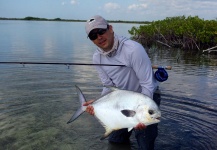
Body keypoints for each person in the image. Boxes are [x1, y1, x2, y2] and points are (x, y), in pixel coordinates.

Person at [83, 15, 161, 150]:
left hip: (147, 98)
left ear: (110, 29)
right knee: (115, 142)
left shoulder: (133, 50)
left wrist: (141, 112)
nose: (99, 37)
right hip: (120, 100)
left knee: (145, 144)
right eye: (93, 36)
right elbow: (107, 87)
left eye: (101, 31)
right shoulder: (97, 57)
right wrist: (96, 103)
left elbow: (147, 84)